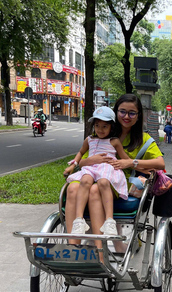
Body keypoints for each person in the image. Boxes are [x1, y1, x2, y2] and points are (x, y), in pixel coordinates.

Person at [64, 94, 165, 246]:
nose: (126, 116)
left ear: (138, 116)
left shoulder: (143, 139)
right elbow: (83, 160)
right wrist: (90, 160)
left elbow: (160, 163)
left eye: (132, 113)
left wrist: (131, 162)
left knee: (95, 190)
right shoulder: (103, 131)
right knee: (72, 188)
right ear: (115, 112)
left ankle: (100, 253)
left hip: (115, 181)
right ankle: (73, 247)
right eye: (122, 111)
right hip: (91, 174)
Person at [64, 106, 129, 236]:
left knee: (104, 182)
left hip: (106, 168)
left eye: (105, 126)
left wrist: (127, 164)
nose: (100, 129)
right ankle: (78, 219)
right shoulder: (89, 140)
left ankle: (109, 220)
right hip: (91, 167)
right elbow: (81, 152)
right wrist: (73, 164)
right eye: (97, 125)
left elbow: (125, 159)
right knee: (85, 180)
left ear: (111, 126)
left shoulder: (114, 141)